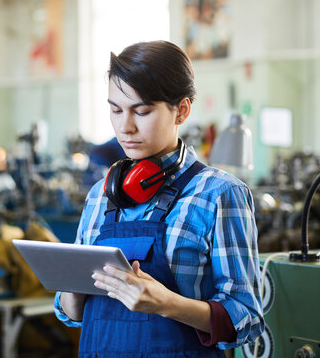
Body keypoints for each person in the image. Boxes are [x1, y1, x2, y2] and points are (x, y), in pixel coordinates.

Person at [54, 41, 263, 357]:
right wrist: (71, 286)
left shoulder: (218, 194)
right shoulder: (101, 195)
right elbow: (73, 314)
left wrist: (168, 304)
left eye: (142, 111)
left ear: (181, 110)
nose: (125, 127)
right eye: (115, 110)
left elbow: (247, 317)